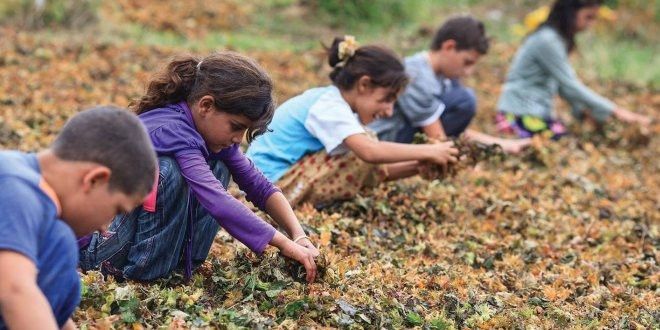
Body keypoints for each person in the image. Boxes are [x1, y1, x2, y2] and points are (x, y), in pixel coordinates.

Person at [79, 52, 320, 283]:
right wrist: (284, 244)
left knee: (220, 164)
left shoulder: (208, 132)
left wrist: (298, 235)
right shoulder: (172, 130)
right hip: (99, 249)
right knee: (168, 172)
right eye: (236, 127)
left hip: (125, 240)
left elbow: (259, 186)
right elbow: (217, 200)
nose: (239, 138)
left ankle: (179, 265)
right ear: (206, 105)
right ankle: (143, 275)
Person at [246, 36, 459, 207]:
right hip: (265, 185)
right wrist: (430, 151)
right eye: (386, 99)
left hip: (274, 179)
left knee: (362, 148)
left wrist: (418, 165)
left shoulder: (335, 104)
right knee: (362, 150)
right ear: (364, 84)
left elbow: (371, 168)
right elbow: (370, 154)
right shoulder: (329, 106)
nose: (388, 111)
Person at [0, 106, 157, 329]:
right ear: (94, 180)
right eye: (116, 210)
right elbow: (15, 290)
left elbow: (50, 312)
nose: (105, 228)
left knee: (59, 244)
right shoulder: (15, 188)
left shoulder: (28, 187)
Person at [368, 15, 531, 153]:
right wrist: (457, 159)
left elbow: (450, 129)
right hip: (385, 140)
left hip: (405, 134)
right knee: (465, 100)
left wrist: (502, 145)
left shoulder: (442, 78)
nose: (468, 71)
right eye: (467, 62)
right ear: (449, 47)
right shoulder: (416, 75)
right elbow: (438, 138)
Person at [497, 0, 651, 139]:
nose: (591, 24)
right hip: (519, 114)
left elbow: (564, 88)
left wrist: (584, 112)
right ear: (570, 12)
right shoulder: (547, 40)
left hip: (535, 112)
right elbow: (570, 85)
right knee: (565, 144)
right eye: (588, 17)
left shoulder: (556, 40)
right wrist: (618, 112)